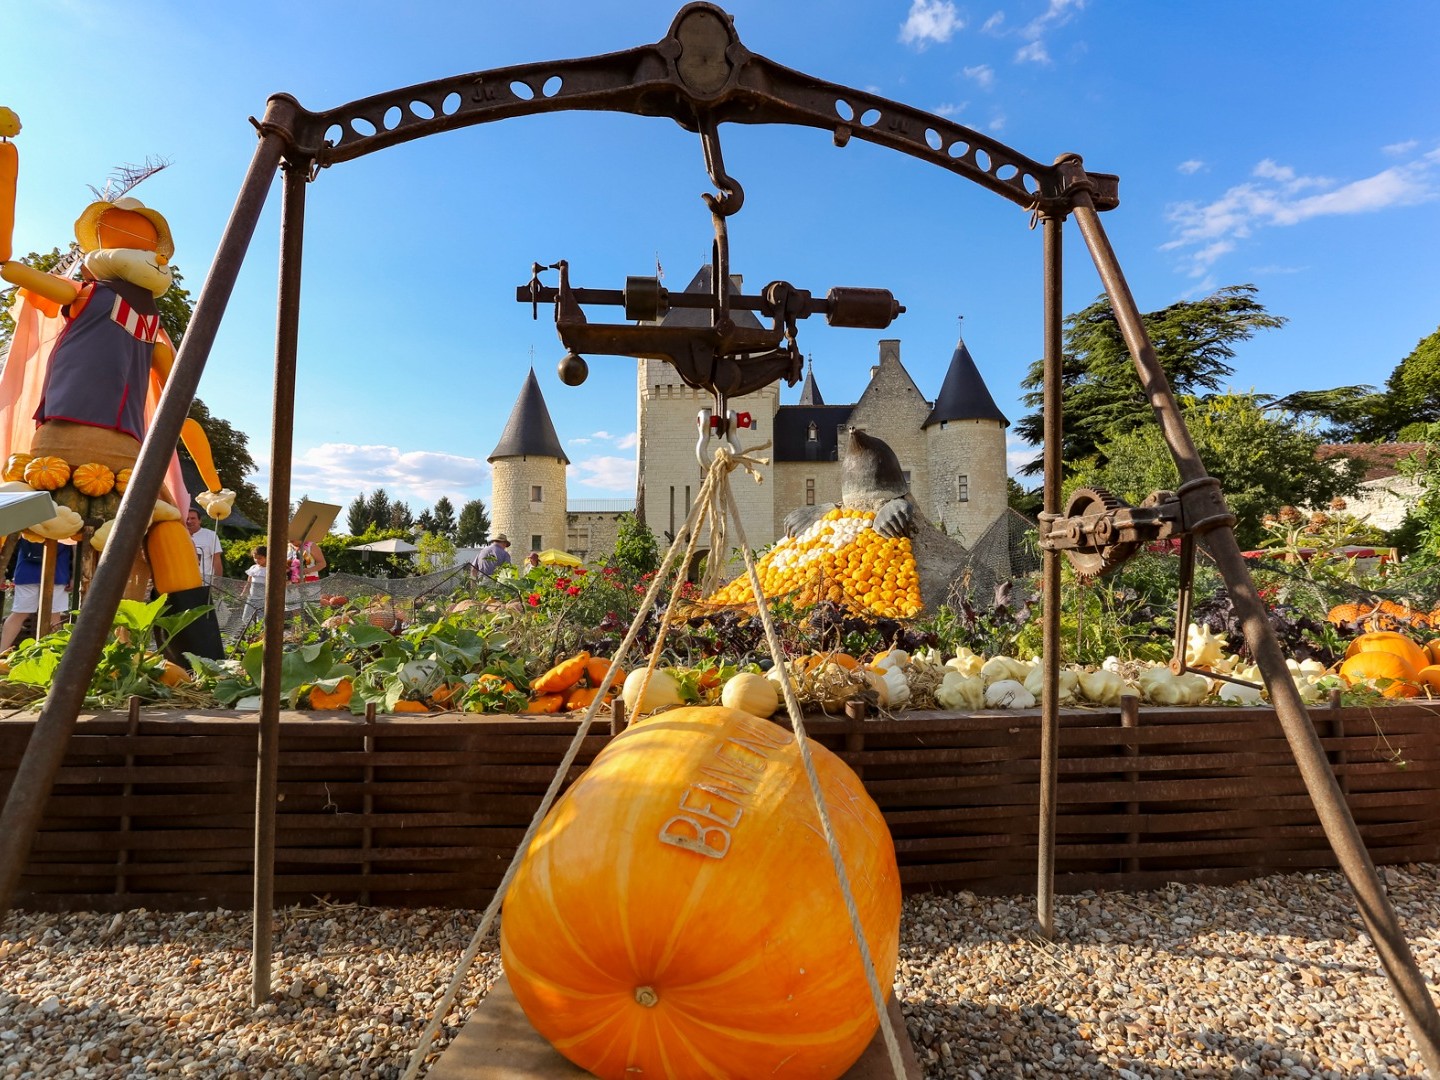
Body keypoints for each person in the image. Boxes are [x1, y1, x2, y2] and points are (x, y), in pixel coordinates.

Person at [0, 538, 74, 652]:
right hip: (58, 571)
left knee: (18, 614)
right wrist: (74, 574)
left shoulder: (26, 520)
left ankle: (1, 652)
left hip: (27, 571)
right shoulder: (67, 521)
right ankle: (54, 653)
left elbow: (10, 540)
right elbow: (75, 544)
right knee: (54, 616)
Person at [185, 507, 223, 586]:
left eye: (193, 518)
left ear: (199, 520)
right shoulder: (178, 535)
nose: (189, 521)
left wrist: (217, 582)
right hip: (182, 583)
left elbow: (216, 561)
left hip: (203, 584)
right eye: (187, 518)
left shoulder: (210, 535)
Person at [243, 545, 268, 621]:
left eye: (260, 558)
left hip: (263, 599)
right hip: (252, 598)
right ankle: (252, 632)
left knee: (261, 619)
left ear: (267, 557)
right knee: (245, 618)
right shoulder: (254, 568)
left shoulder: (269, 570)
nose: (257, 560)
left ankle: (261, 632)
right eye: (255, 558)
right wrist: (244, 591)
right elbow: (249, 581)